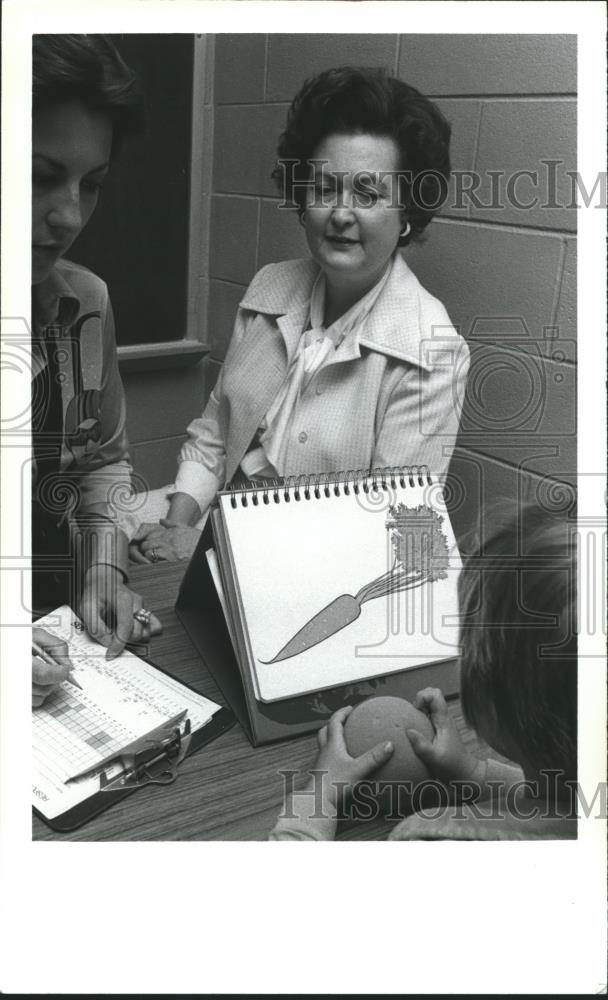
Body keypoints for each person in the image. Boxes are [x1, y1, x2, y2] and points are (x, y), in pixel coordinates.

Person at [131, 66, 470, 564]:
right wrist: (177, 526)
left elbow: (377, 532)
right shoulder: (271, 285)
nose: (340, 213)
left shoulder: (433, 350)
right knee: (98, 549)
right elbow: (215, 435)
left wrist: (203, 549)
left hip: (313, 572)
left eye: (368, 194)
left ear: (407, 215)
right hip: (214, 527)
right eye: (325, 187)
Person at [268, 506, 577, 840]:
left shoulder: (431, 837)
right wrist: (473, 774)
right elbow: (559, 801)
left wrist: (322, 794)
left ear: (492, 707)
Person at [31, 34, 161, 705]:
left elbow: (102, 462)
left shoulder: (84, 304)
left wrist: (101, 570)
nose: (69, 216)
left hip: (53, 623)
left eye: (92, 184)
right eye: (38, 175)